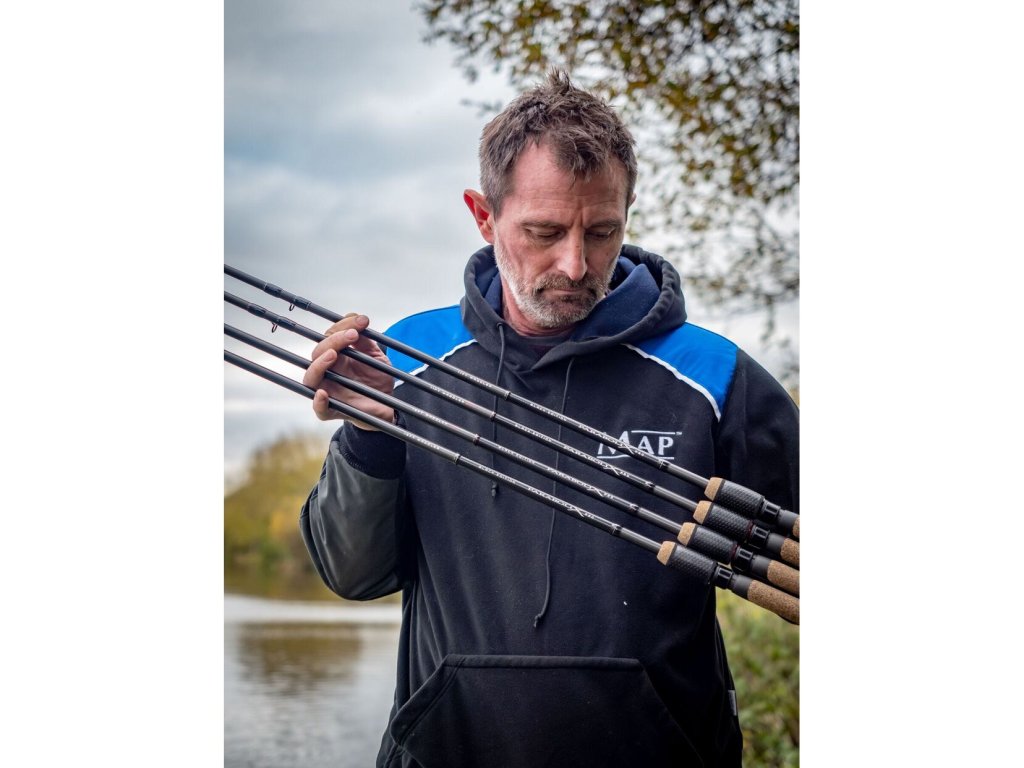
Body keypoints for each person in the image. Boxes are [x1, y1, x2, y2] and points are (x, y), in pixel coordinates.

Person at [299, 70, 798, 768]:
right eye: (544, 231)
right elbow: (353, 574)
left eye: (603, 231)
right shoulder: (409, 362)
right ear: (483, 215)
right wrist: (370, 434)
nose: (576, 263)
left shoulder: (712, 376)